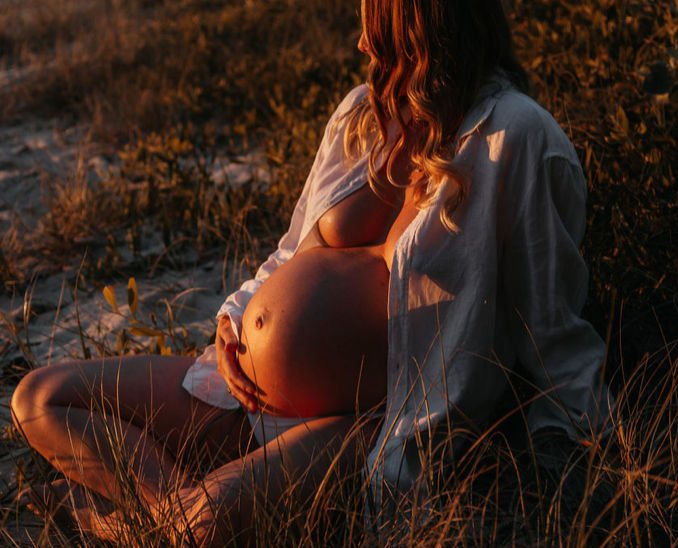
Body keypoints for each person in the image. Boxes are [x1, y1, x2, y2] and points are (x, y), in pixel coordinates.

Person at [10, 0, 613, 544]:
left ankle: (125, 523)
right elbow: (289, 250)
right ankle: (168, 512)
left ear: (422, 21)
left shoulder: (516, 138)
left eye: (373, 23)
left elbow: (550, 323)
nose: (360, 44)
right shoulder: (362, 114)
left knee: (207, 528)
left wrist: (573, 449)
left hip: (360, 426)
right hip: (242, 398)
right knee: (40, 399)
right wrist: (232, 321)